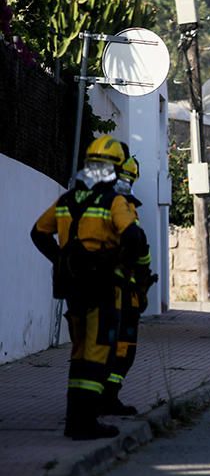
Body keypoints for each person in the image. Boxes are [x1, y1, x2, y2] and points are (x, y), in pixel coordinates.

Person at [31, 135, 144, 440]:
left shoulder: (67, 200)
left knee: (79, 353)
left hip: (73, 287)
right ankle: (85, 424)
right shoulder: (114, 202)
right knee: (97, 353)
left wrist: (61, 259)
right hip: (103, 287)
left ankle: (75, 421)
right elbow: (134, 238)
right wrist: (119, 265)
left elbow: (39, 232)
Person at [102, 156, 156, 416]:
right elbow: (139, 246)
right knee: (123, 347)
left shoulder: (90, 202)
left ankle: (94, 399)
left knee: (97, 347)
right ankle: (107, 398)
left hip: (95, 290)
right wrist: (141, 283)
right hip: (123, 293)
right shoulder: (123, 209)